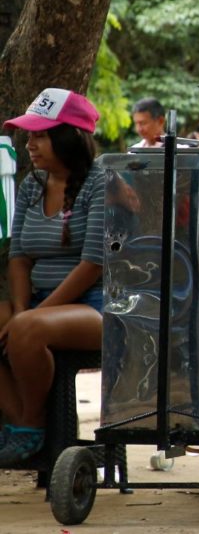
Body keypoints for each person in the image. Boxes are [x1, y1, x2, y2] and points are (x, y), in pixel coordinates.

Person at [0, 88, 105, 464]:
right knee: (16, 322)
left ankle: (32, 425)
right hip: (42, 302)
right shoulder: (33, 186)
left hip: (94, 307)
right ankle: (20, 423)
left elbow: (93, 263)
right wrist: (19, 307)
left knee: (27, 329)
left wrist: (28, 317)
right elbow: (19, 257)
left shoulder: (99, 183)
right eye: (30, 135)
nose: (30, 144)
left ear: (69, 138)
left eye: (40, 135)